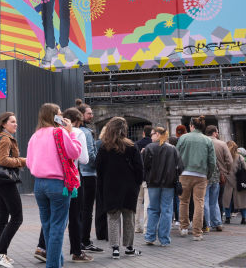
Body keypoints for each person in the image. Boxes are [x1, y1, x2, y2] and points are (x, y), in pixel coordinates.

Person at [26, 103, 81, 268]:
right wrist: (71, 132)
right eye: (59, 114)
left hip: (39, 184)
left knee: (48, 225)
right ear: (53, 116)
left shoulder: (35, 135)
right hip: (58, 184)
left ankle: (56, 263)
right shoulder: (60, 132)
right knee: (58, 226)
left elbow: (29, 162)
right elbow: (75, 153)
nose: (62, 117)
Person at [96, 117, 144, 258]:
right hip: (129, 187)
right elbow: (139, 168)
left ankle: (115, 248)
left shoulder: (104, 147)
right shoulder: (132, 146)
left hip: (110, 186)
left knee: (113, 217)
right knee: (129, 217)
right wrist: (137, 183)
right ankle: (129, 247)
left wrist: (102, 186)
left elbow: (99, 168)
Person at [0, 112, 24, 268]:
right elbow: (3, 160)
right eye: (12, 122)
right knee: (17, 217)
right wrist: (23, 161)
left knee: (2, 217)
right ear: (4, 124)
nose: (16, 124)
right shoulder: (5, 139)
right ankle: (0, 253)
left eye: (16, 121)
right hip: (6, 182)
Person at [176, 116, 216, 241]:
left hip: (184, 173)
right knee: (199, 202)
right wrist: (208, 174)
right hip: (201, 174)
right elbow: (212, 161)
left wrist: (177, 172)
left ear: (191, 126)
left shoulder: (183, 138)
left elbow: (176, 155)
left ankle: (183, 227)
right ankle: (197, 232)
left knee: (184, 201)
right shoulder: (207, 140)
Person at [142, 127, 182, 247]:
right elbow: (180, 167)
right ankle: (164, 239)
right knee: (166, 210)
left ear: (158, 134)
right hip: (169, 184)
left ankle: (150, 237)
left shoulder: (149, 148)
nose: (151, 136)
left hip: (153, 183)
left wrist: (148, 177)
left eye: (152, 134)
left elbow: (145, 166)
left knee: (153, 209)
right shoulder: (172, 149)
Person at [76, 101, 104, 253]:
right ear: (81, 115)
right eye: (89, 113)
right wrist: (99, 165)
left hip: (78, 174)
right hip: (89, 174)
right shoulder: (86, 133)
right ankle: (85, 240)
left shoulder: (73, 131)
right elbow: (90, 155)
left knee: (79, 209)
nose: (92, 116)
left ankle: (79, 239)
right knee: (87, 210)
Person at [206, 126, 230, 233]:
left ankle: (207, 224)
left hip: (205, 175)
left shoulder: (204, 142)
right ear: (215, 133)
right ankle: (217, 222)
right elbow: (229, 160)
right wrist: (226, 171)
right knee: (215, 201)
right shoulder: (222, 143)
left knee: (205, 200)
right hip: (218, 175)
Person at [223, 145, 246, 224]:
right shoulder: (240, 157)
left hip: (228, 181)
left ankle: (227, 218)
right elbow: (245, 168)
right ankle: (243, 218)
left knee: (228, 200)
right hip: (239, 181)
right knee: (242, 200)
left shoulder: (226, 157)